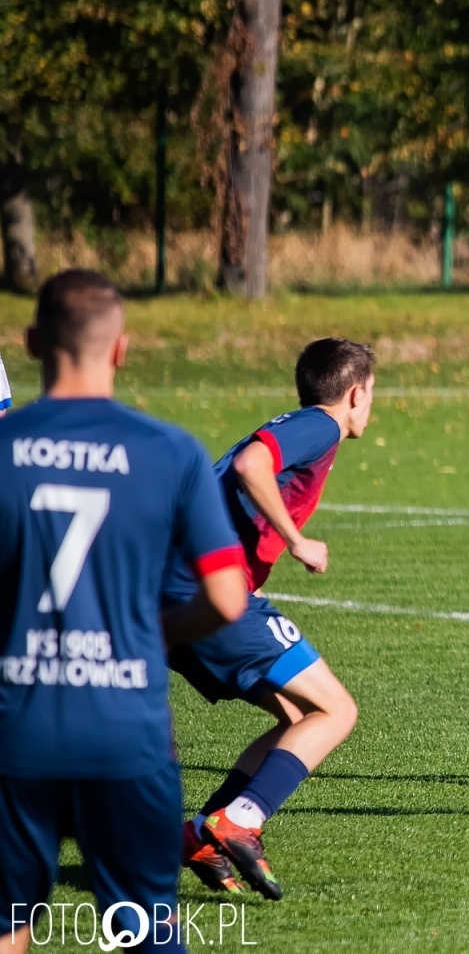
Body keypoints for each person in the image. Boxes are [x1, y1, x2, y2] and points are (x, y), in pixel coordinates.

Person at [1, 270, 248, 951]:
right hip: (126, 729)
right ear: (121, 349)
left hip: (16, 724)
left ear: (29, 343)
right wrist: (149, 635)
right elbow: (228, 595)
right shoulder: (170, 451)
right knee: (141, 924)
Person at [165, 339, 373, 900]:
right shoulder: (320, 426)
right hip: (211, 589)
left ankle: (201, 835)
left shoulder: (300, 424)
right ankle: (240, 820)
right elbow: (252, 463)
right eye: (372, 393)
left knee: (297, 717)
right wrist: (297, 539)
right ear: (356, 394)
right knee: (337, 709)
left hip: (173, 597)